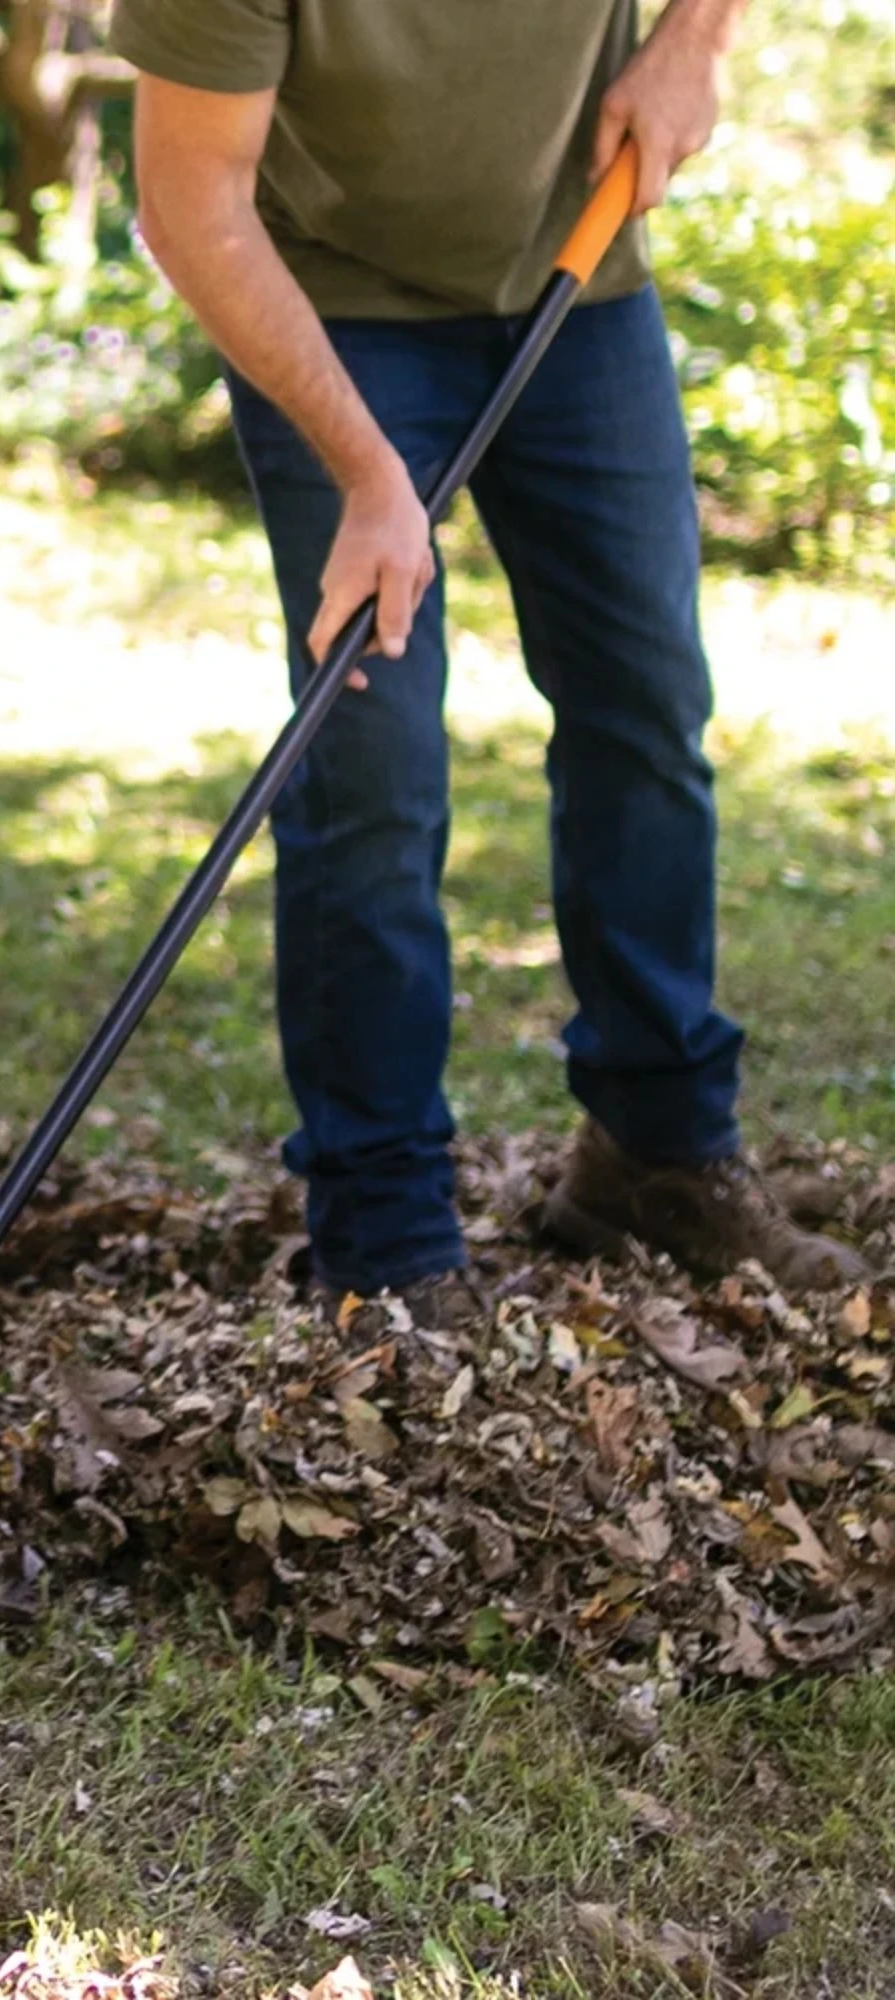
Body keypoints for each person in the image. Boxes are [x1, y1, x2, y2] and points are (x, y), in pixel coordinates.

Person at [111, 0, 871, 1312]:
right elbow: (191, 207)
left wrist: (695, 38)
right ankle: (386, 1229)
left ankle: (656, 1147)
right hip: (331, 309)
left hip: (576, 294)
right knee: (373, 761)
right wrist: (366, 474)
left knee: (643, 705)